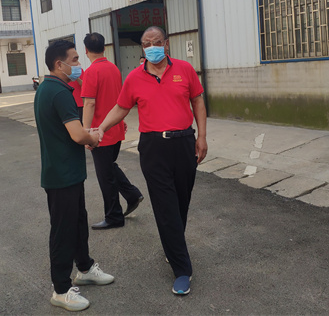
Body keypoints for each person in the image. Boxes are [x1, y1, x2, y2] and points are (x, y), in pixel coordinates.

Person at [97, 26, 207, 296]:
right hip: (153, 148)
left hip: (184, 143)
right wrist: (101, 128)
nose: (152, 47)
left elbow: (198, 102)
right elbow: (121, 107)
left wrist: (202, 136)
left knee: (181, 202)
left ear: (166, 44)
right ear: (142, 48)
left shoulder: (185, 70)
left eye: (157, 42)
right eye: (147, 44)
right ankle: (182, 270)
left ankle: (173, 246)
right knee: (165, 207)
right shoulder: (134, 77)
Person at [34, 39, 115, 312]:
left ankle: (85, 268)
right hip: (62, 174)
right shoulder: (59, 92)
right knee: (63, 230)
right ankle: (60, 289)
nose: (79, 64)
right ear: (60, 64)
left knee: (78, 222)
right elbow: (78, 135)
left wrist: (86, 134)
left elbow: (69, 132)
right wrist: (93, 136)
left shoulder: (47, 88)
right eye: (75, 60)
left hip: (67, 171)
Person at [81, 32, 144, 230]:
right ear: (104, 47)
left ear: (86, 50)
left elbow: (89, 103)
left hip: (99, 133)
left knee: (105, 176)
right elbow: (119, 100)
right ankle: (132, 194)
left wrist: (86, 133)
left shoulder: (91, 72)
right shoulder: (114, 69)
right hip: (115, 129)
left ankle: (114, 216)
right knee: (109, 167)